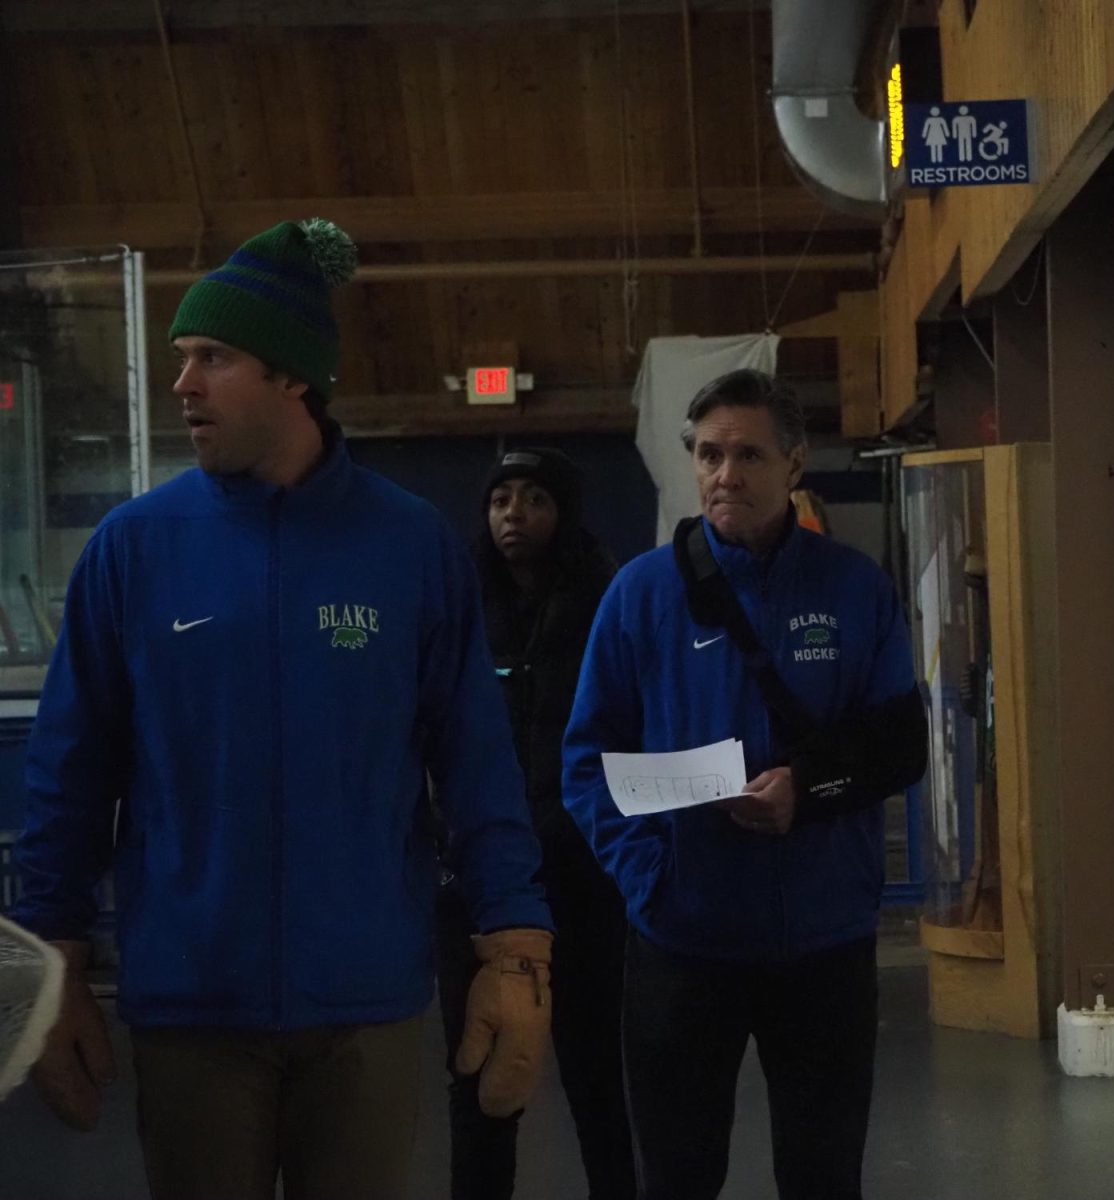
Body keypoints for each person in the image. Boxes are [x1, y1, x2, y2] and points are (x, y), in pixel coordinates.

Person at [12, 218, 554, 1200]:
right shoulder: (134, 550)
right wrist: (51, 953)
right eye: (183, 358)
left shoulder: (409, 545)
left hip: (364, 1004)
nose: (182, 385)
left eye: (212, 358)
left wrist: (514, 943)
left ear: (295, 376)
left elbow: (475, 757)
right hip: (191, 1008)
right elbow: (70, 771)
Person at [562, 369, 927, 1200]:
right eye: (709, 454)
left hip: (826, 939)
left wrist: (808, 788)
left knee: (824, 1172)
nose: (726, 474)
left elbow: (899, 744)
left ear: (794, 464)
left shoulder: (853, 587)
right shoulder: (640, 596)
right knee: (679, 1175)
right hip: (684, 942)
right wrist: (648, 879)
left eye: (749, 455)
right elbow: (588, 763)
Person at [435, 447, 634, 1200]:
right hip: (478, 882)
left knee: (597, 1075)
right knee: (479, 1074)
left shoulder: (607, 598)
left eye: (535, 499)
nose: (514, 513)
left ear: (566, 511)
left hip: (584, 876)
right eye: (500, 499)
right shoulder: (457, 602)